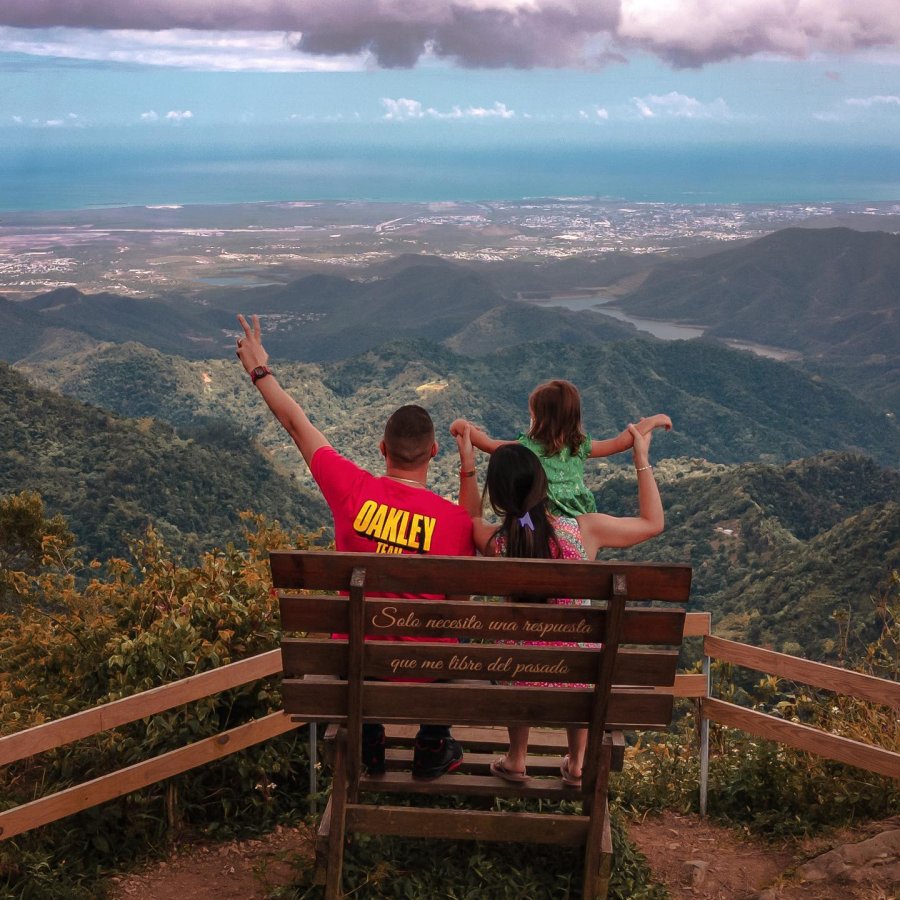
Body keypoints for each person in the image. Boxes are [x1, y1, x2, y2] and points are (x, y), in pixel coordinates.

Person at [235, 314, 475, 779]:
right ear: (433, 454)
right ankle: (431, 742)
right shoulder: (456, 524)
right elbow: (461, 601)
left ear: (383, 450)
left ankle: (369, 739)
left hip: (359, 666)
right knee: (459, 623)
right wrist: (469, 464)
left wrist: (259, 369)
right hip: (426, 667)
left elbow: (295, 423)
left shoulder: (351, 490)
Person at [454, 420, 664, 787]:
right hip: (577, 674)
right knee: (577, 645)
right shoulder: (584, 530)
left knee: (517, 646)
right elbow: (652, 523)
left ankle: (517, 758)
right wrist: (641, 458)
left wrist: (468, 460)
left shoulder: (494, 542)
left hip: (518, 672)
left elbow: (468, 518)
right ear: (543, 485)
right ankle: (578, 761)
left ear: (499, 497)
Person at [450, 378, 671, 517]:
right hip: (581, 519)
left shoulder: (527, 447)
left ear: (539, 419)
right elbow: (620, 442)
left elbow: (489, 445)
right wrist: (651, 422)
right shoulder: (579, 446)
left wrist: (461, 425)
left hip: (544, 519)